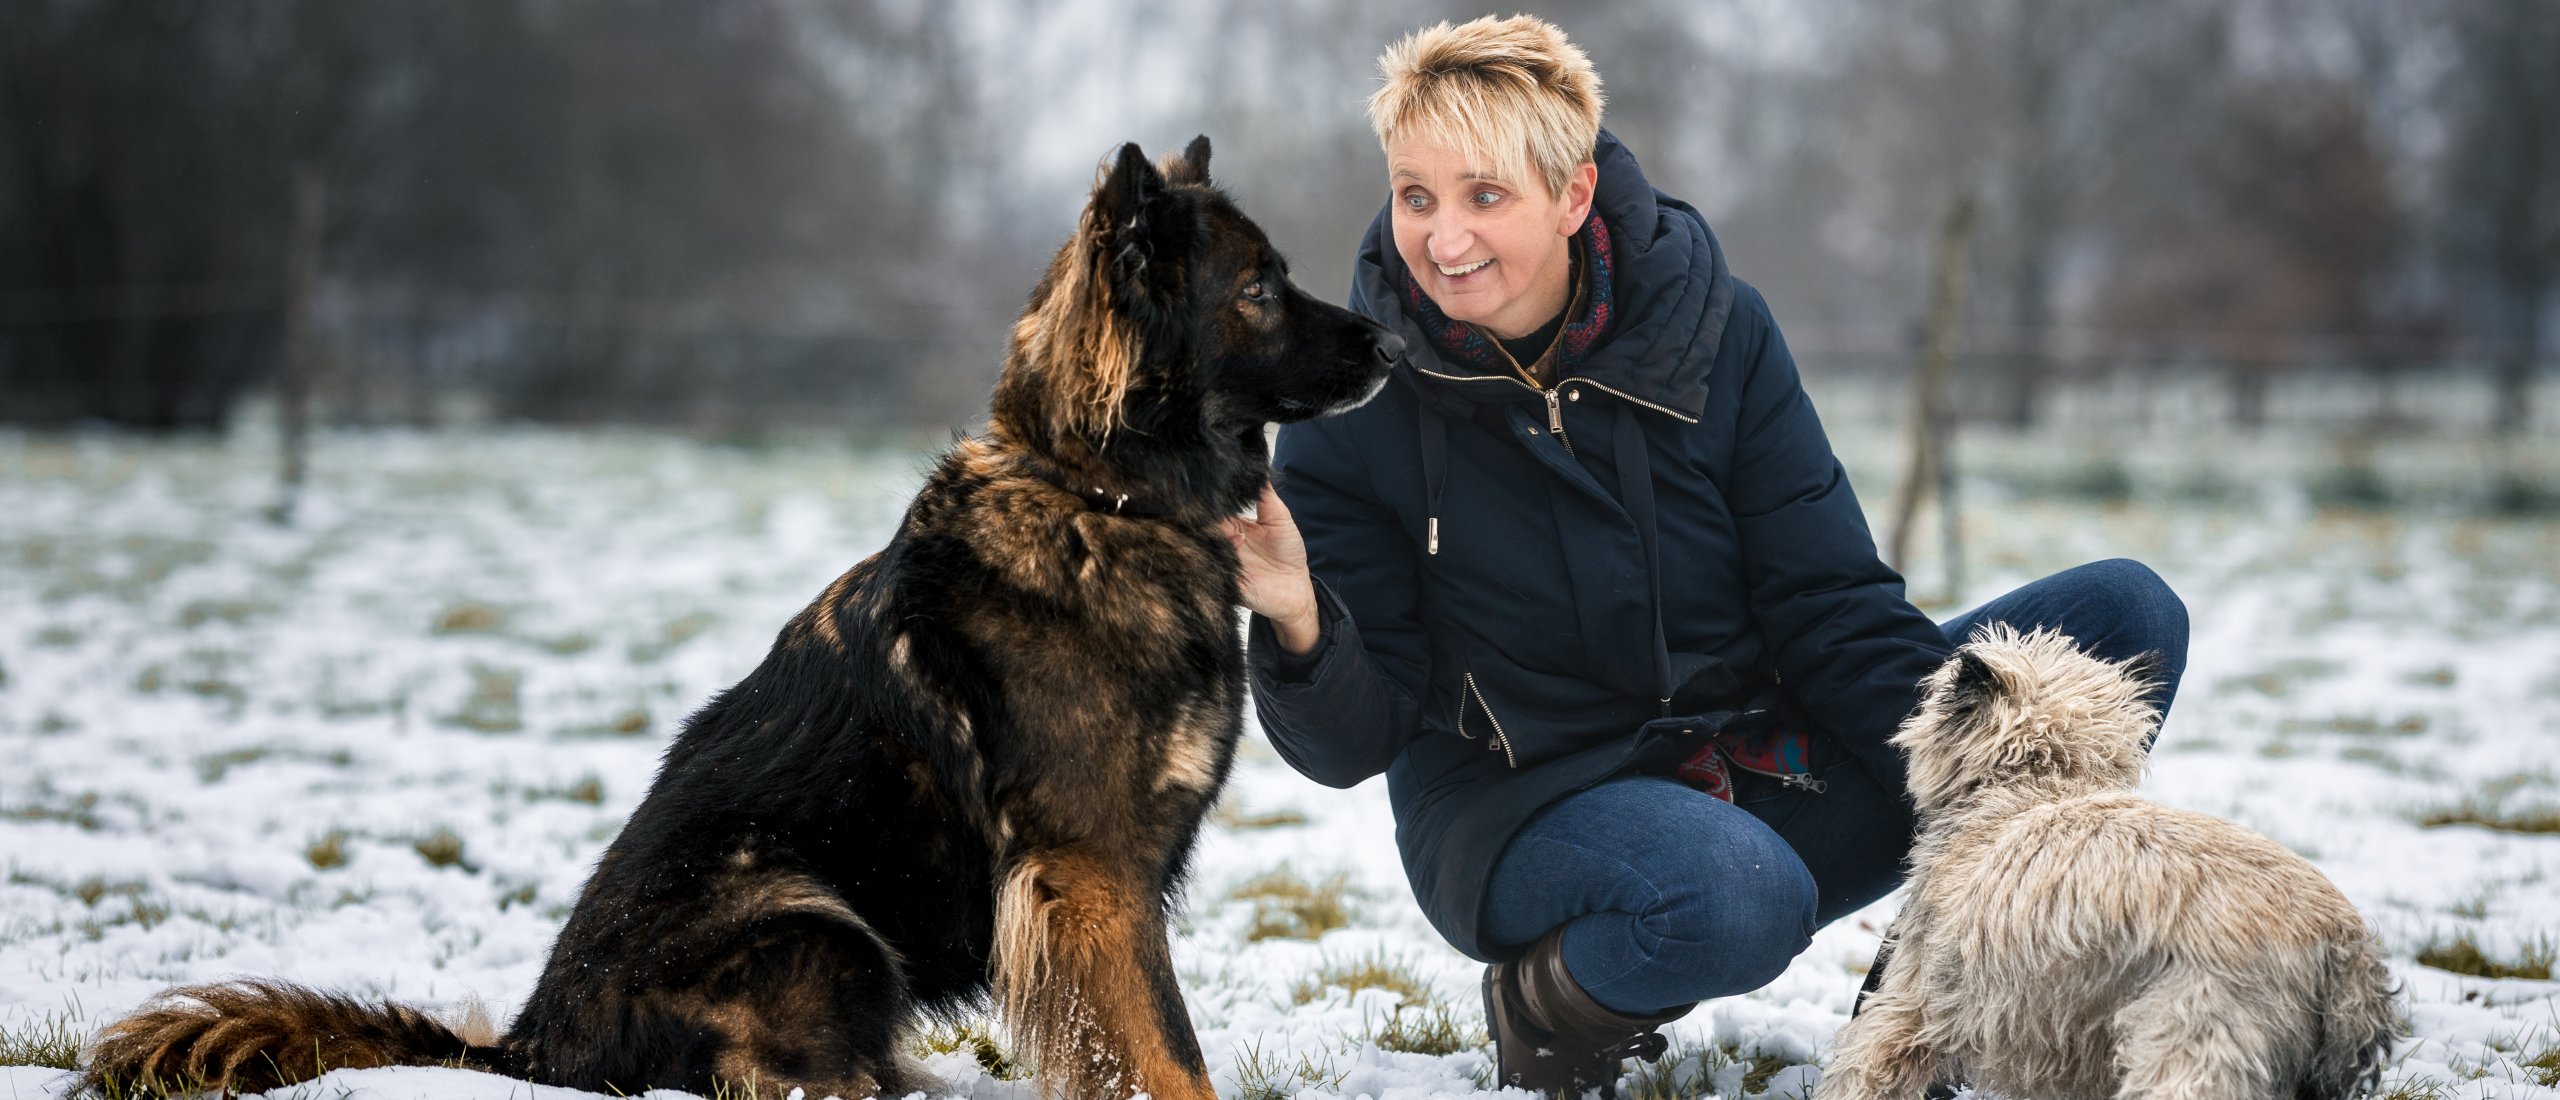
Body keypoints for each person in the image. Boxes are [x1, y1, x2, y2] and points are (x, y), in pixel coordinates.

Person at [1221, 14, 2191, 1100]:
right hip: (1525, 804)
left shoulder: (1717, 330)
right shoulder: (1354, 401)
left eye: (1483, 194)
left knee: (2118, 618)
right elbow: (1354, 741)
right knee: (1738, 892)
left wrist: (1955, 769)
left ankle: (1938, 992)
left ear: (1572, 194)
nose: (1443, 238)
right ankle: (1545, 1008)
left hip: (1756, 753)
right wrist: (1299, 617)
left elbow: (1827, 601)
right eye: (1416, 196)